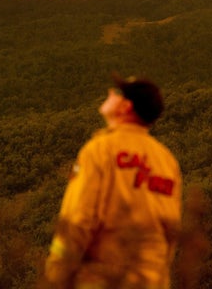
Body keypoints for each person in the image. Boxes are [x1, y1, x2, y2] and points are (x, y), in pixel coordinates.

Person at [43, 74, 182, 289]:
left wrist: (55, 274)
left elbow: (79, 218)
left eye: (117, 92)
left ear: (126, 107)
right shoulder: (167, 160)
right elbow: (171, 231)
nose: (109, 92)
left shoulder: (99, 150)